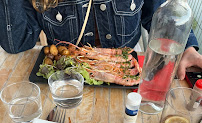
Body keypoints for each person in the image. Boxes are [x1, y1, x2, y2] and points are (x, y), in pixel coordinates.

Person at [0, 0, 202, 80]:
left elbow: (159, 12)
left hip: (128, 68)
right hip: (65, 77)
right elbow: (17, 42)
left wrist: (187, 49)